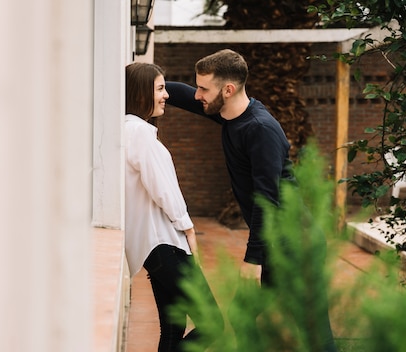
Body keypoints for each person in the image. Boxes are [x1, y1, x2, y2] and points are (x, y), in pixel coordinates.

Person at [165, 49, 337, 351]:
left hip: (297, 246)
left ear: (228, 90)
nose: (198, 95)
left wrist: (253, 260)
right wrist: (139, 82)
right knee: (242, 317)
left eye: (204, 88)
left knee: (313, 332)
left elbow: (267, 201)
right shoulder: (230, 115)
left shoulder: (259, 129)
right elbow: (181, 93)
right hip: (276, 242)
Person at [125, 62, 222, 351]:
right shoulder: (140, 133)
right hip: (165, 245)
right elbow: (163, 189)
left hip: (152, 248)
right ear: (140, 92)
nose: (166, 95)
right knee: (212, 324)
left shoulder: (128, 130)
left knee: (172, 330)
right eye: (159, 88)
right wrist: (187, 226)